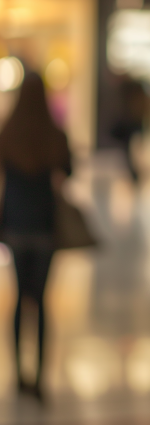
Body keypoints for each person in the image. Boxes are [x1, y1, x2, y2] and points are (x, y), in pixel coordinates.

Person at [0, 71, 72, 403]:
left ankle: (17, 375)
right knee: (40, 301)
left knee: (18, 299)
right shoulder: (55, 134)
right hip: (45, 225)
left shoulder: (8, 132)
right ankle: (40, 378)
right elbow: (70, 171)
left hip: (14, 223)